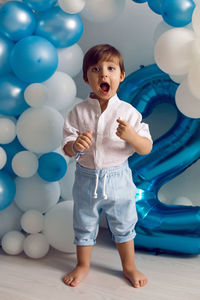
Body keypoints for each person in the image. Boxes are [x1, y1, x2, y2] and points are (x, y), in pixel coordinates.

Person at [62, 44, 152, 288]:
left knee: (124, 224)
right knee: (84, 222)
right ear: (86, 78)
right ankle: (82, 265)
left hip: (118, 178)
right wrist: (75, 145)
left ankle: (129, 266)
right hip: (86, 178)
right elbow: (66, 146)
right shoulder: (78, 112)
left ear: (121, 76)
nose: (103, 74)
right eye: (95, 69)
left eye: (110, 68)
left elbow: (146, 147)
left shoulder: (129, 113)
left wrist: (132, 137)